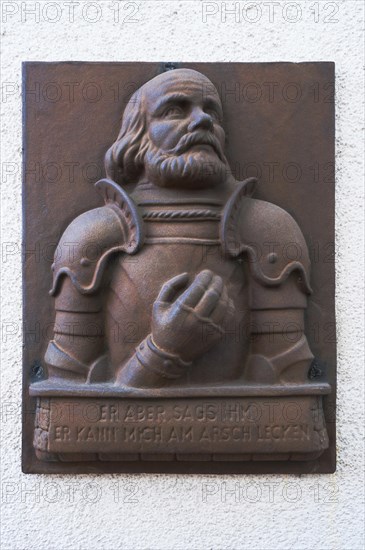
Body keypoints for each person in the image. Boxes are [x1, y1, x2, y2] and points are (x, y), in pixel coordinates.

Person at [46, 68, 314, 388]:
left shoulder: (266, 230)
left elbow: (294, 400)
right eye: (175, 110)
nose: (203, 121)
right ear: (138, 135)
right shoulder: (93, 237)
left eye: (211, 111)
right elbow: (64, 404)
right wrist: (164, 352)